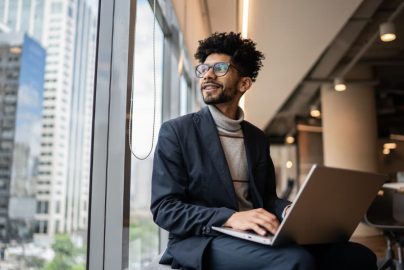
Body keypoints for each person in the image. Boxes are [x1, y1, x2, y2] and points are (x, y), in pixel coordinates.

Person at [151, 32, 377, 270]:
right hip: (203, 240)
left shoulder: (256, 138)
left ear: (244, 83)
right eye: (204, 68)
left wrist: (290, 210)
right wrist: (229, 217)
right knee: (296, 261)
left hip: (254, 234)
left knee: (358, 256)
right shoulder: (177, 132)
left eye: (219, 68)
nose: (207, 75)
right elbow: (165, 208)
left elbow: (265, 198)